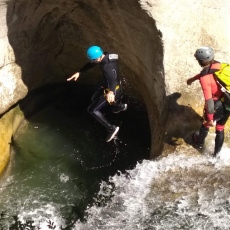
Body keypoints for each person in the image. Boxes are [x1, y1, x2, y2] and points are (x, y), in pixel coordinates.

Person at [67, 46, 127, 142]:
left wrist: (111, 92)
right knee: (94, 98)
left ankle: (111, 128)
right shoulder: (107, 56)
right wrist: (79, 72)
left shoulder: (107, 67)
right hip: (109, 85)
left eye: (94, 60)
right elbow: (91, 64)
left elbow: (113, 79)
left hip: (113, 89)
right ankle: (119, 106)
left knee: (92, 110)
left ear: (98, 58)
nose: (93, 62)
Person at [187, 46, 230, 157]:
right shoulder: (219, 65)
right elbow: (206, 72)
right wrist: (193, 79)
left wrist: (210, 118)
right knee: (220, 127)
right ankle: (217, 155)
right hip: (228, 101)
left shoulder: (205, 79)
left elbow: (209, 100)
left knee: (206, 124)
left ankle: (199, 144)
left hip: (216, 104)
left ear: (202, 61)